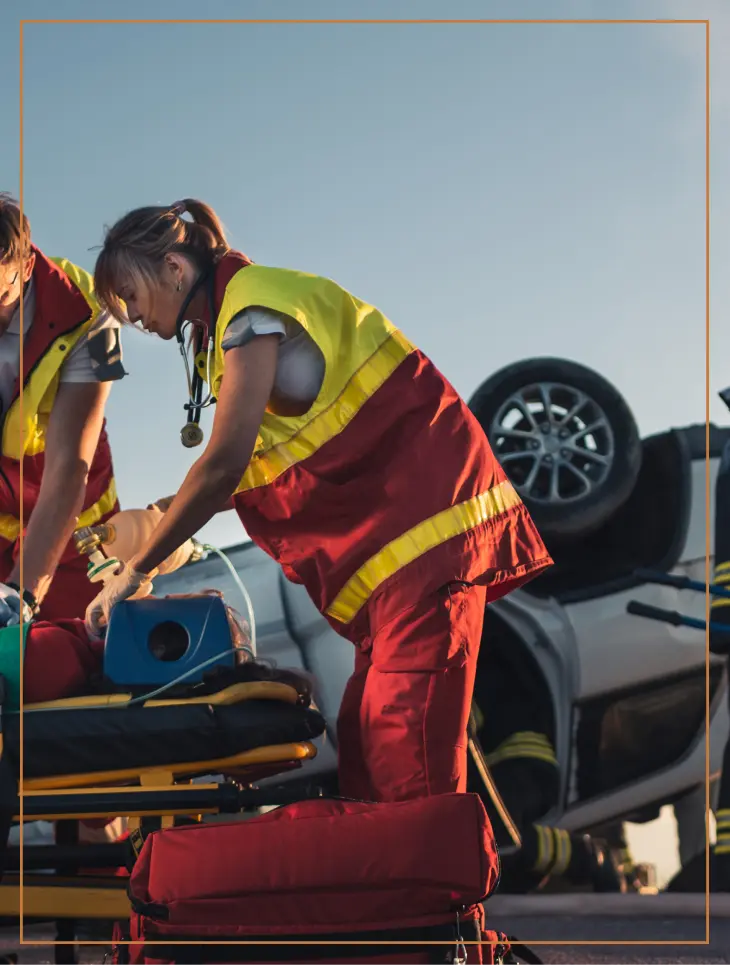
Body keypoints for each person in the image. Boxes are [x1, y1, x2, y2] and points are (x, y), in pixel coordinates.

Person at [85, 197, 553, 803]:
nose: (131, 316)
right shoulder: (236, 320)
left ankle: (438, 896)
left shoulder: (251, 308)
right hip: (400, 559)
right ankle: (416, 889)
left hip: (428, 543)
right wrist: (161, 521)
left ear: (175, 268)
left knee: (404, 753)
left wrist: (138, 570)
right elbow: (274, 462)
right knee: (364, 740)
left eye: (130, 293)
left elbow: (224, 463)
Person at [0, 193, 125, 624]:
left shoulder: (91, 313)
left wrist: (22, 593)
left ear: (27, 266)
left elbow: (69, 467)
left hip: (78, 531)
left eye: (1, 297)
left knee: (87, 653)